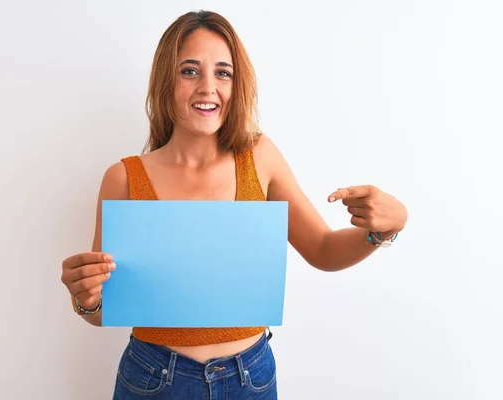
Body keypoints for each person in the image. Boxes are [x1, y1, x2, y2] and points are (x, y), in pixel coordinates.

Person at [60, 10, 408, 399]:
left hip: (249, 378)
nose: (208, 87)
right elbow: (107, 307)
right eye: (189, 71)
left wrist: (382, 231)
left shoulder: (259, 155)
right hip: (153, 379)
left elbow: (323, 249)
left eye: (222, 73)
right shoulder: (123, 178)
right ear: (165, 81)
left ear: (236, 83)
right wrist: (85, 299)